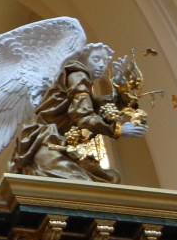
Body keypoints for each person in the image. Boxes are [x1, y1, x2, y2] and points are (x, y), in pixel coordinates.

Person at [9, 43, 147, 183]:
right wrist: (117, 130)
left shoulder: (82, 83)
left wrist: (119, 86)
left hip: (60, 146)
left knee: (111, 178)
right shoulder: (77, 75)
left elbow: (99, 106)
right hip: (45, 144)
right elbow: (83, 116)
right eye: (96, 59)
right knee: (85, 183)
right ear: (83, 60)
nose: (101, 65)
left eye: (105, 61)